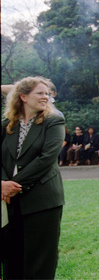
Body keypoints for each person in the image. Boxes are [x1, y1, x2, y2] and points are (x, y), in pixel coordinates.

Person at [1, 76, 66, 279]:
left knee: (40, 262)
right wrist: (2, 184)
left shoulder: (54, 120)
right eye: (40, 93)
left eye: (47, 93)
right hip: (10, 202)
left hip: (43, 201)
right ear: (23, 97)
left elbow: (46, 159)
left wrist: (13, 185)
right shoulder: (7, 124)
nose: (46, 97)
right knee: (12, 258)